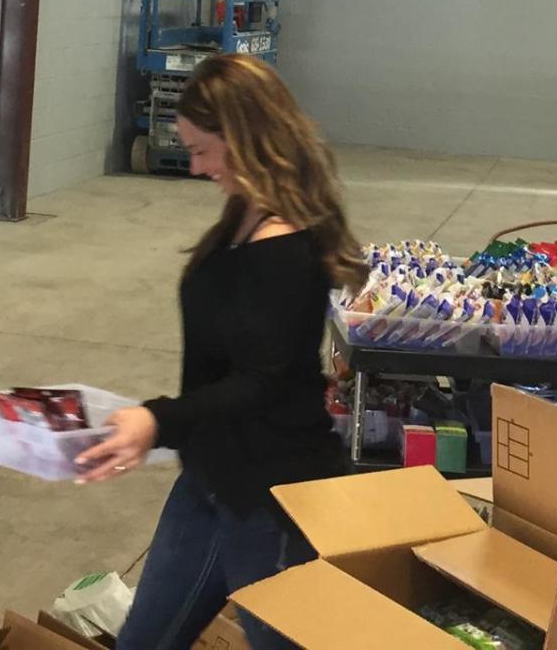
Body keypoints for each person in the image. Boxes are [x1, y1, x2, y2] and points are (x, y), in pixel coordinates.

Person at [74, 55, 366, 650]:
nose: (195, 166)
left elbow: (261, 382)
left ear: (249, 140)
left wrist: (156, 420)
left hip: (271, 498)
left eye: (204, 149)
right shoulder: (243, 216)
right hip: (210, 479)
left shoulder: (285, 249)